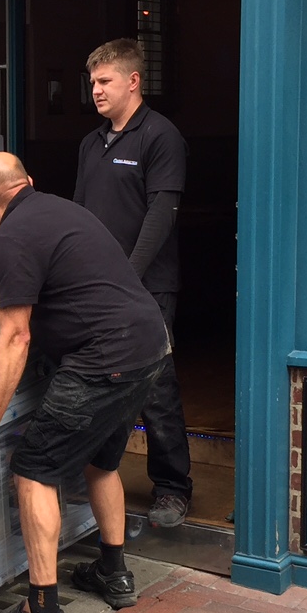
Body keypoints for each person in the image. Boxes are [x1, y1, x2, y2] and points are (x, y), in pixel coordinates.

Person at [0, 153, 168, 613]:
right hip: (150, 344)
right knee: (101, 460)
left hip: (105, 359)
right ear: (28, 182)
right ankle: (113, 575)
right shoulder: (62, 208)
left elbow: (14, 337)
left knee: (34, 469)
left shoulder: (9, 237)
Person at [73, 38, 193, 530]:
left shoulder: (160, 137)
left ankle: (173, 488)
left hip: (147, 288)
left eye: (105, 81)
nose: (96, 91)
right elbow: (80, 216)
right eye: (93, 82)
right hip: (96, 289)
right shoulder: (91, 143)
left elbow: (160, 216)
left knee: (155, 385)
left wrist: (126, 277)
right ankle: (99, 478)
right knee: (96, 380)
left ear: (133, 81)